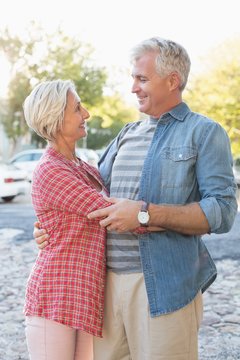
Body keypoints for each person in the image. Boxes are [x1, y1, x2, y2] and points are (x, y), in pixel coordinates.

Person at [34, 38, 238, 360]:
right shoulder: (125, 134)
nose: (133, 88)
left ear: (172, 81)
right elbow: (87, 198)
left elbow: (223, 211)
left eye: (141, 79)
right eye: (133, 78)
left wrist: (145, 215)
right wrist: (48, 228)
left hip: (162, 287)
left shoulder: (204, 132)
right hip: (103, 288)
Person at [22, 79, 114, 360]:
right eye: (77, 108)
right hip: (56, 294)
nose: (86, 114)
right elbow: (109, 212)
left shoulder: (82, 167)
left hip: (84, 296)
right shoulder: (51, 170)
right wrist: (160, 216)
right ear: (54, 117)